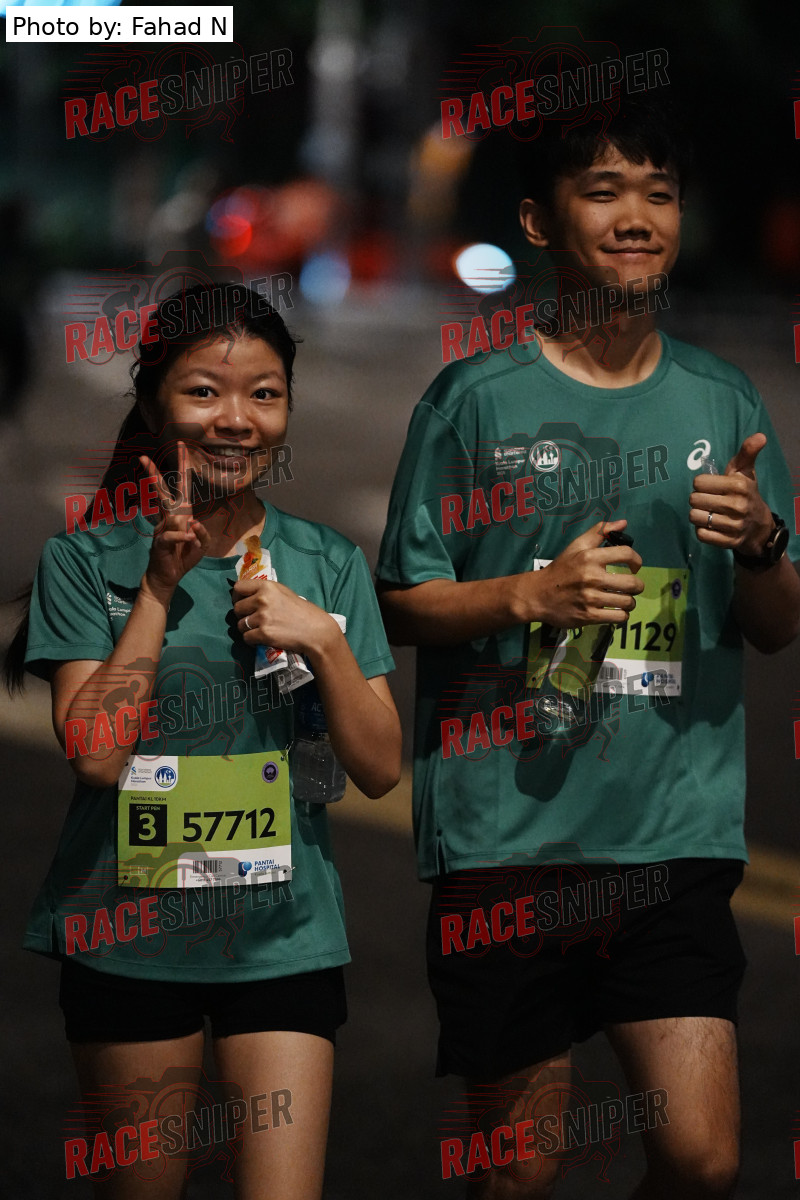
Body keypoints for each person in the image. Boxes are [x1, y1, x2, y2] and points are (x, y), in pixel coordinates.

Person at [376, 95, 800, 1199]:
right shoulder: (472, 401)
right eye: (603, 191)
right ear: (538, 220)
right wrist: (531, 594)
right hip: (507, 841)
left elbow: (775, 626)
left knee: (702, 1159)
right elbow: (399, 605)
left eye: (658, 194)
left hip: (673, 835)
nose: (636, 217)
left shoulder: (723, 400)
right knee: (519, 1170)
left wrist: (763, 543)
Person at [6, 283, 401, 1199]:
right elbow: (97, 754)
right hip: (128, 936)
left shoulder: (327, 562)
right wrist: (156, 589)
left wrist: (325, 640)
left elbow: (380, 769)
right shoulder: (84, 560)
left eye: (265, 394)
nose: (236, 419)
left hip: (284, 936)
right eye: (203, 392)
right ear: (152, 406)